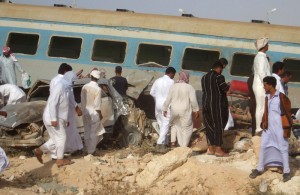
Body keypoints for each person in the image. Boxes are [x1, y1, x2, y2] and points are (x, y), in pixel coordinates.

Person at [249, 76, 292, 182]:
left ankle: (287, 172)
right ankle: (259, 169)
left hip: (279, 128)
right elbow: (266, 112)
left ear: (271, 85)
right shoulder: (267, 97)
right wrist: (263, 123)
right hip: (268, 128)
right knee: (263, 146)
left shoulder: (282, 97)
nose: (263, 87)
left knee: (283, 148)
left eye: (265, 85)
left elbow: (287, 114)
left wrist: (286, 129)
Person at [32, 69, 72, 168]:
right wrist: (54, 119)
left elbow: (63, 106)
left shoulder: (64, 86)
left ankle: (39, 150)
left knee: (55, 139)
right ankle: (60, 160)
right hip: (52, 117)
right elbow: (53, 103)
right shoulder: (60, 86)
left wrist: (65, 120)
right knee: (62, 138)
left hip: (54, 117)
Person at [162, 71, 199, 147]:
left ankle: (178, 144)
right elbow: (193, 100)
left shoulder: (173, 86)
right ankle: (184, 146)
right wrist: (196, 110)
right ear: (187, 77)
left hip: (174, 110)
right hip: (184, 110)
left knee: (177, 126)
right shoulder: (189, 87)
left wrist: (165, 109)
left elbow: (168, 99)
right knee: (187, 128)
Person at [201, 61, 230, 157]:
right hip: (216, 105)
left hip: (205, 103)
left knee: (208, 126)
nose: (221, 71)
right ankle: (218, 149)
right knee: (218, 126)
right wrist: (228, 85)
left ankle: (210, 148)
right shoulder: (219, 77)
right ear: (219, 68)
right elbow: (224, 89)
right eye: (221, 69)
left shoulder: (204, 77)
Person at [150, 67, 176, 153]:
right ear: (171, 73)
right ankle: (160, 144)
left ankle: (164, 143)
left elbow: (151, 92)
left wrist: (157, 98)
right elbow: (173, 95)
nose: (173, 76)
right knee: (166, 124)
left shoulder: (158, 80)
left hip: (157, 104)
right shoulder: (171, 82)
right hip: (166, 105)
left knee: (161, 124)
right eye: (174, 75)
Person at [81, 70, 105, 155]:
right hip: (94, 113)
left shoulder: (84, 87)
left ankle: (87, 149)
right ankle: (91, 151)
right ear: (98, 79)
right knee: (94, 132)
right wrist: (100, 114)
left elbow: (82, 101)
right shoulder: (98, 89)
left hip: (85, 112)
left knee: (87, 131)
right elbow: (97, 105)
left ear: (90, 76)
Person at [252, 37, 271, 134]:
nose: (268, 45)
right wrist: (267, 85)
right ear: (264, 46)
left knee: (261, 106)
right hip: (261, 85)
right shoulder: (261, 58)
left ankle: (260, 126)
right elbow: (261, 73)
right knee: (261, 106)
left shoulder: (261, 57)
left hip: (260, 84)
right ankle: (259, 128)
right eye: (267, 44)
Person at [63, 71, 84, 155]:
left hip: (69, 114)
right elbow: (72, 100)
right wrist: (77, 109)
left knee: (73, 131)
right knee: (67, 133)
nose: (73, 83)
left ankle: (78, 148)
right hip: (66, 114)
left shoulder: (67, 86)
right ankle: (43, 149)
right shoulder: (66, 88)